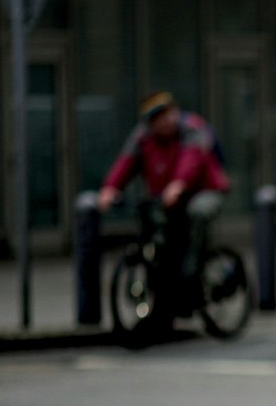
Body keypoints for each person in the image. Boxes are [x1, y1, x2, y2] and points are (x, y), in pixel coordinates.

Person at [99, 91, 230, 285]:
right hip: (165, 196)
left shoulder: (191, 130)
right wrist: (110, 188)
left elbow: (191, 161)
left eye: (169, 114)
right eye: (159, 118)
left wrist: (178, 184)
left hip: (203, 190)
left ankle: (192, 267)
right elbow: (126, 162)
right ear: (151, 123)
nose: (167, 121)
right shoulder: (143, 137)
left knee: (198, 212)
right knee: (159, 229)